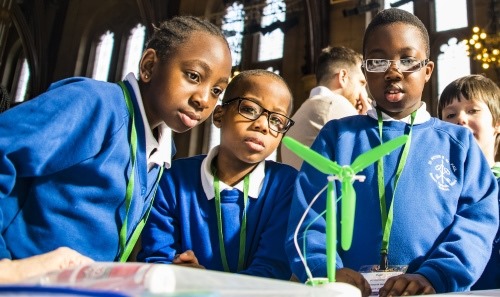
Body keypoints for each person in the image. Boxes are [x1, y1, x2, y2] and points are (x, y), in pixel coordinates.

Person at [285, 8, 499, 297]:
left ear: (427, 70)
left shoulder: (457, 143)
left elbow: (476, 221)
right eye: (377, 61)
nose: (393, 71)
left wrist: (436, 275)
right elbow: (308, 216)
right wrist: (325, 270)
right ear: (365, 71)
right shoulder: (338, 137)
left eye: (408, 60)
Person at [0, 15, 232, 280]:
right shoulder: (94, 103)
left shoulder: (161, 150)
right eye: (193, 76)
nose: (204, 99)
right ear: (149, 65)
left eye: (216, 91)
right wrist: (8, 268)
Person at [138, 70, 297, 280]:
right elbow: (155, 260)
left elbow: (273, 269)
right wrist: (176, 271)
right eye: (249, 109)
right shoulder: (173, 180)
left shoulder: (286, 184)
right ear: (219, 115)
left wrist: (206, 283)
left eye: (277, 120)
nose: (263, 125)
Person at [438, 74, 500, 290]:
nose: (461, 119)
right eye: (450, 114)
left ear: (497, 123)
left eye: (473, 110)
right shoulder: (438, 187)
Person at [280, 45, 368, 169]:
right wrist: (369, 120)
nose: (364, 94)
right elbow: (372, 161)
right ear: (343, 77)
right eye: (362, 83)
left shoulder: (301, 113)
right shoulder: (335, 104)